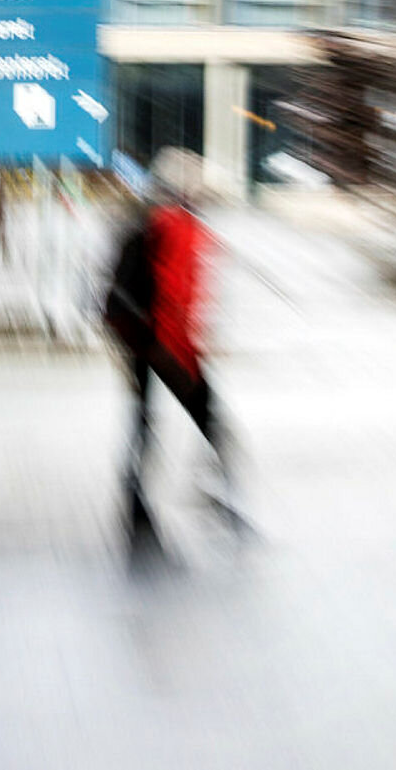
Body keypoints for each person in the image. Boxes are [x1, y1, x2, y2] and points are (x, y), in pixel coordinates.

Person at [105, 147, 244, 548]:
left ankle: (133, 498)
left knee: (144, 416)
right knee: (210, 416)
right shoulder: (174, 224)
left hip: (133, 333)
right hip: (163, 340)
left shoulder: (142, 217)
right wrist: (180, 350)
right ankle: (225, 491)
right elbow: (174, 293)